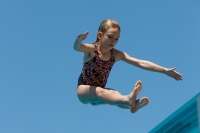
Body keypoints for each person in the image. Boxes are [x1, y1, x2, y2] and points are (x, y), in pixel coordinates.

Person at [73, 19, 182, 113]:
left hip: (101, 92)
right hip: (84, 90)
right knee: (103, 92)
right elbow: (77, 48)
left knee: (115, 94)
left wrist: (164, 70)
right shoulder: (92, 50)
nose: (114, 41)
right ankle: (129, 101)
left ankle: (133, 106)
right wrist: (79, 40)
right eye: (110, 37)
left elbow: (140, 62)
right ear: (100, 35)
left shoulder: (116, 55)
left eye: (117, 38)